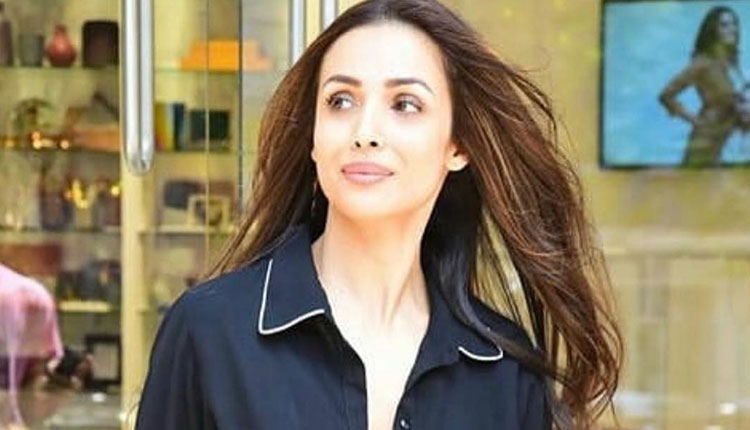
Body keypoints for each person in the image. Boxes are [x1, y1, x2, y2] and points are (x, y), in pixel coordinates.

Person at [134, 1, 623, 429]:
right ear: (313, 137)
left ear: (458, 145)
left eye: (405, 104)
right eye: (340, 101)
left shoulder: (503, 371)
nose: (365, 131)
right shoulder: (209, 332)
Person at [659, 6, 746, 167]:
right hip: (706, 144)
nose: (732, 29)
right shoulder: (702, 63)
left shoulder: (731, 62)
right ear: (713, 30)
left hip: (727, 142)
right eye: (724, 25)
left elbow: (736, 102)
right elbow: (666, 95)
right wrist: (696, 121)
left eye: (734, 24)